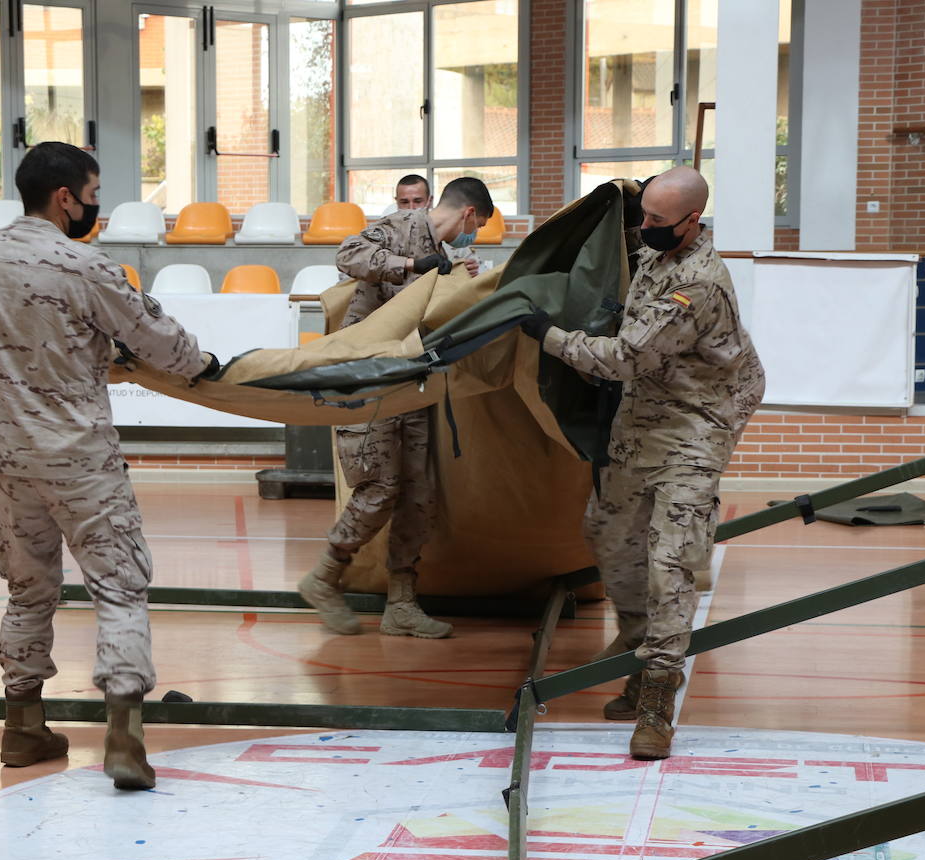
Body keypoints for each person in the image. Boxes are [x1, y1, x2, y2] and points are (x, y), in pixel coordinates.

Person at [0, 141, 220, 790]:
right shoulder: (85, 265)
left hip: (9, 457)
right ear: (65, 198)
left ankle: (22, 728)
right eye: (94, 195)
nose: (96, 208)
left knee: (28, 591)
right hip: (79, 459)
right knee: (120, 587)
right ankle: (125, 739)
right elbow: (155, 338)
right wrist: (210, 370)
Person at [523, 166, 765, 760]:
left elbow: (625, 358)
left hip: (697, 422)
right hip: (646, 414)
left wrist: (543, 333)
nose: (645, 230)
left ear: (693, 221)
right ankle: (635, 639)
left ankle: (656, 695)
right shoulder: (658, 250)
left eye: (657, 221)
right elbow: (613, 251)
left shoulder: (698, 283)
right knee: (606, 531)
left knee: (671, 559)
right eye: (643, 218)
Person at [298, 177, 493, 639]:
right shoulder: (402, 226)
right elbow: (347, 256)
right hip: (368, 382)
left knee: (418, 492)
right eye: (479, 225)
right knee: (379, 489)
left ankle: (401, 603)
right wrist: (410, 262)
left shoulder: (450, 256)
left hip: (410, 383)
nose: (476, 235)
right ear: (467, 213)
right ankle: (323, 577)